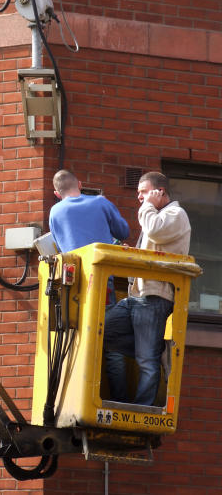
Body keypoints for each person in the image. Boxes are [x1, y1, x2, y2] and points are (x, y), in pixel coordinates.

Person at [104, 171, 191, 406]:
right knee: (102, 331)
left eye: (144, 192)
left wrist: (148, 207)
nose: (139, 198)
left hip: (155, 296)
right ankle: (154, 350)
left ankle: (142, 407)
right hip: (138, 295)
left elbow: (154, 230)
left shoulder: (176, 214)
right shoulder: (158, 214)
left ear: (159, 192)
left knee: (145, 362)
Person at [49, 170, 129, 254]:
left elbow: (59, 246)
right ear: (80, 185)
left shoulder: (54, 212)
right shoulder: (101, 201)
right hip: (104, 262)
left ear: (57, 194)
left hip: (74, 264)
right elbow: (123, 233)